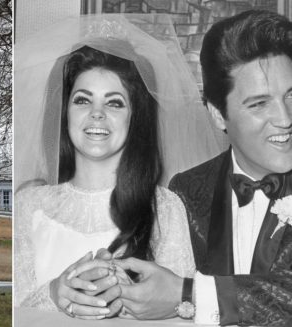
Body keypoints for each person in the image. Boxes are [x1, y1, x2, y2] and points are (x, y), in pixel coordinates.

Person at [14, 14, 224, 320]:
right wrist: (55, 293)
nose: (97, 114)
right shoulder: (27, 205)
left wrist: (131, 304)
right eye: (83, 100)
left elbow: (185, 313)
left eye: (114, 103)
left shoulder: (165, 208)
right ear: (65, 112)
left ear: (134, 118)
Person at [112, 10, 292, 326]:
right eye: (259, 103)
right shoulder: (185, 190)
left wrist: (189, 293)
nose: (286, 118)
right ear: (217, 114)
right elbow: (157, 289)